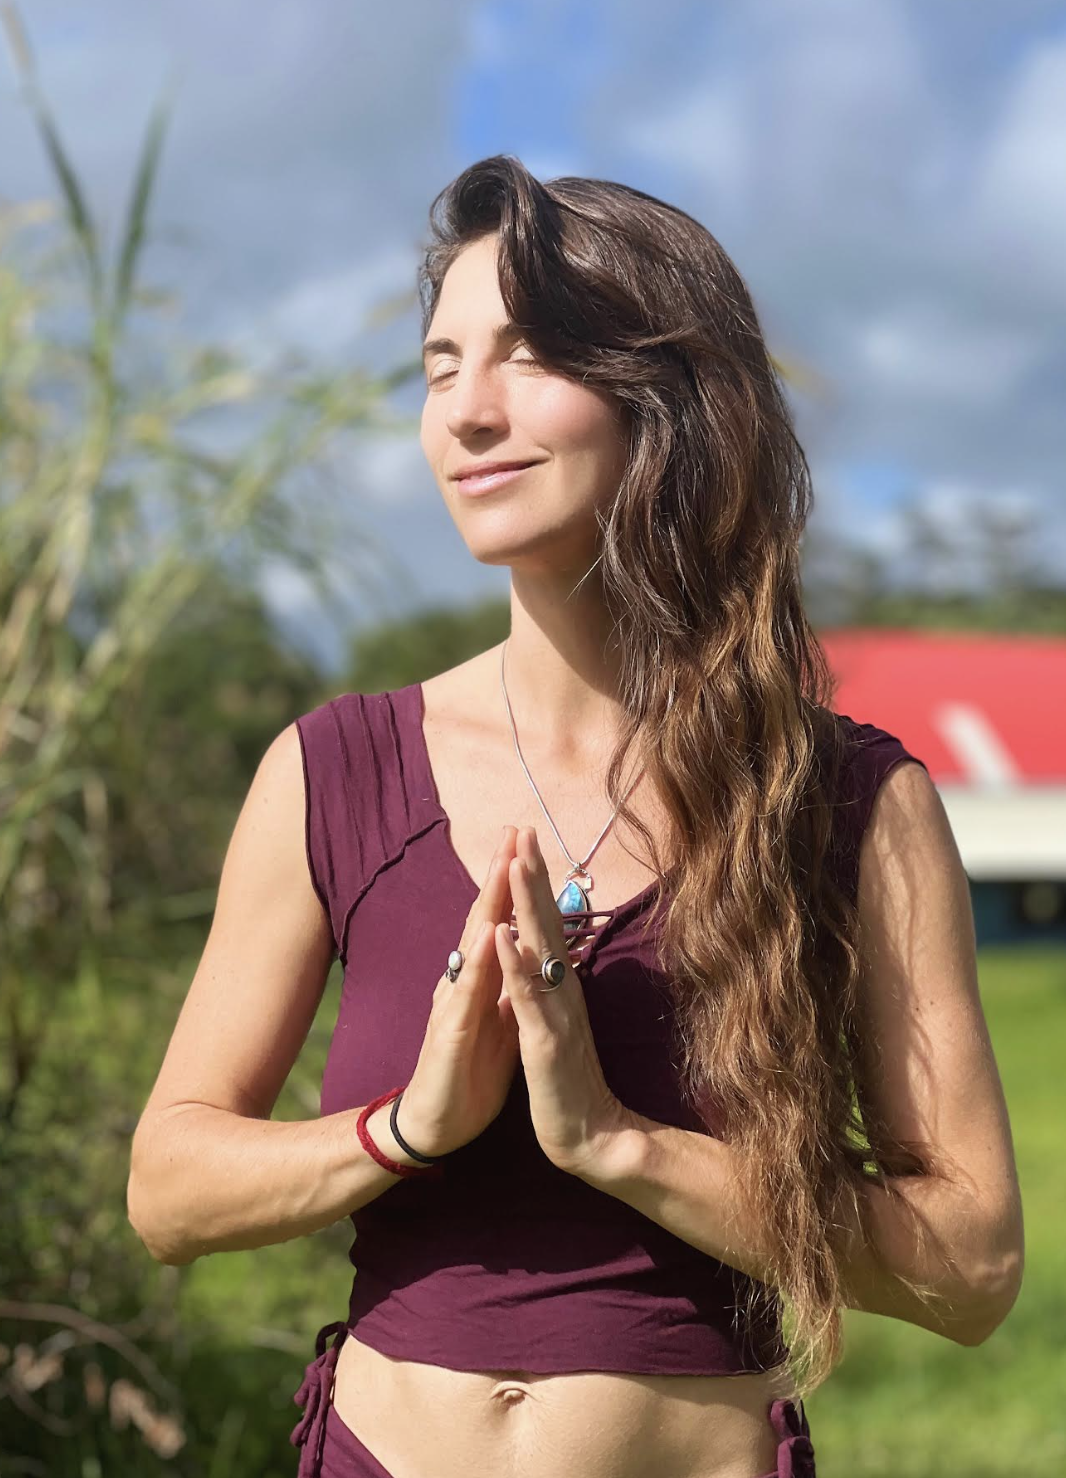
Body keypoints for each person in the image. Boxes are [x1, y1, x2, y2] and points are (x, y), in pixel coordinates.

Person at [127, 156, 1024, 1478]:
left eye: (529, 354)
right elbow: (168, 1189)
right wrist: (407, 1125)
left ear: (673, 399)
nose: (466, 413)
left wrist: (614, 1140)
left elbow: (970, 1265)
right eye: (439, 366)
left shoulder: (845, 801)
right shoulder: (333, 769)